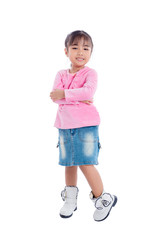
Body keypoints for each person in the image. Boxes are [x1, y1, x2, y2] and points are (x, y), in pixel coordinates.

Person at [50, 30, 117, 222]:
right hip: (64, 125)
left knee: (86, 162)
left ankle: (103, 198)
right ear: (66, 52)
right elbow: (55, 97)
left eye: (86, 48)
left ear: (91, 52)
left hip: (86, 124)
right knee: (68, 163)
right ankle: (70, 199)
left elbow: (88, 92)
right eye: (75, 47)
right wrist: (75, 97)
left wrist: (66, 95)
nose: (80, 51)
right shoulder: (61, 74)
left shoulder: (91, 73)